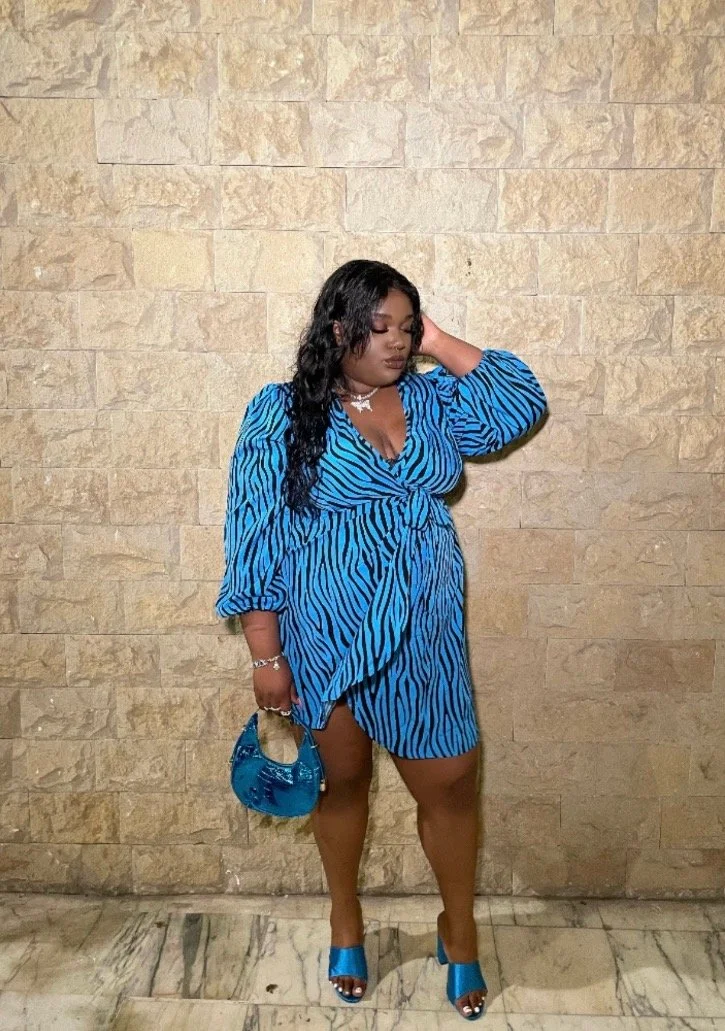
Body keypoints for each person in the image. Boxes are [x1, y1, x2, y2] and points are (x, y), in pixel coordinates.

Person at [215, 259, 548, 1021]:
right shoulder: (280, 411)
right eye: (380, 325)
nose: (396, 341)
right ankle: (345, 920)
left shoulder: (432, 400)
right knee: (343, 781)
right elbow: (253, 535)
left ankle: (457, 931)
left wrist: (433, 336)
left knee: (452, 780)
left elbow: (519, 402)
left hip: (425, 631)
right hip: (324, 632)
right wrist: (266, 654)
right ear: (338, 329)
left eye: (406, 325)